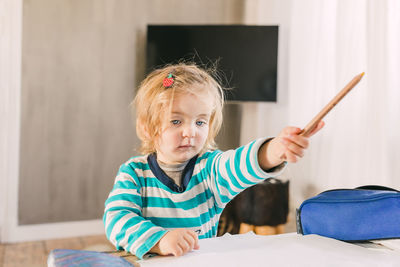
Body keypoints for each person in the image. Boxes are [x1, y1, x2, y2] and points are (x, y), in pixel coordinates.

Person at [103, 63, 324, 260]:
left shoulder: (209, 169)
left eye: (200, 122)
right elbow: (117, 218)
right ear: (147, 128)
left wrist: (274, 150)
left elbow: (238, 164)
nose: (189, 132)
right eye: (176, 121)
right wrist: (160, 240)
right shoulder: (133, 173)